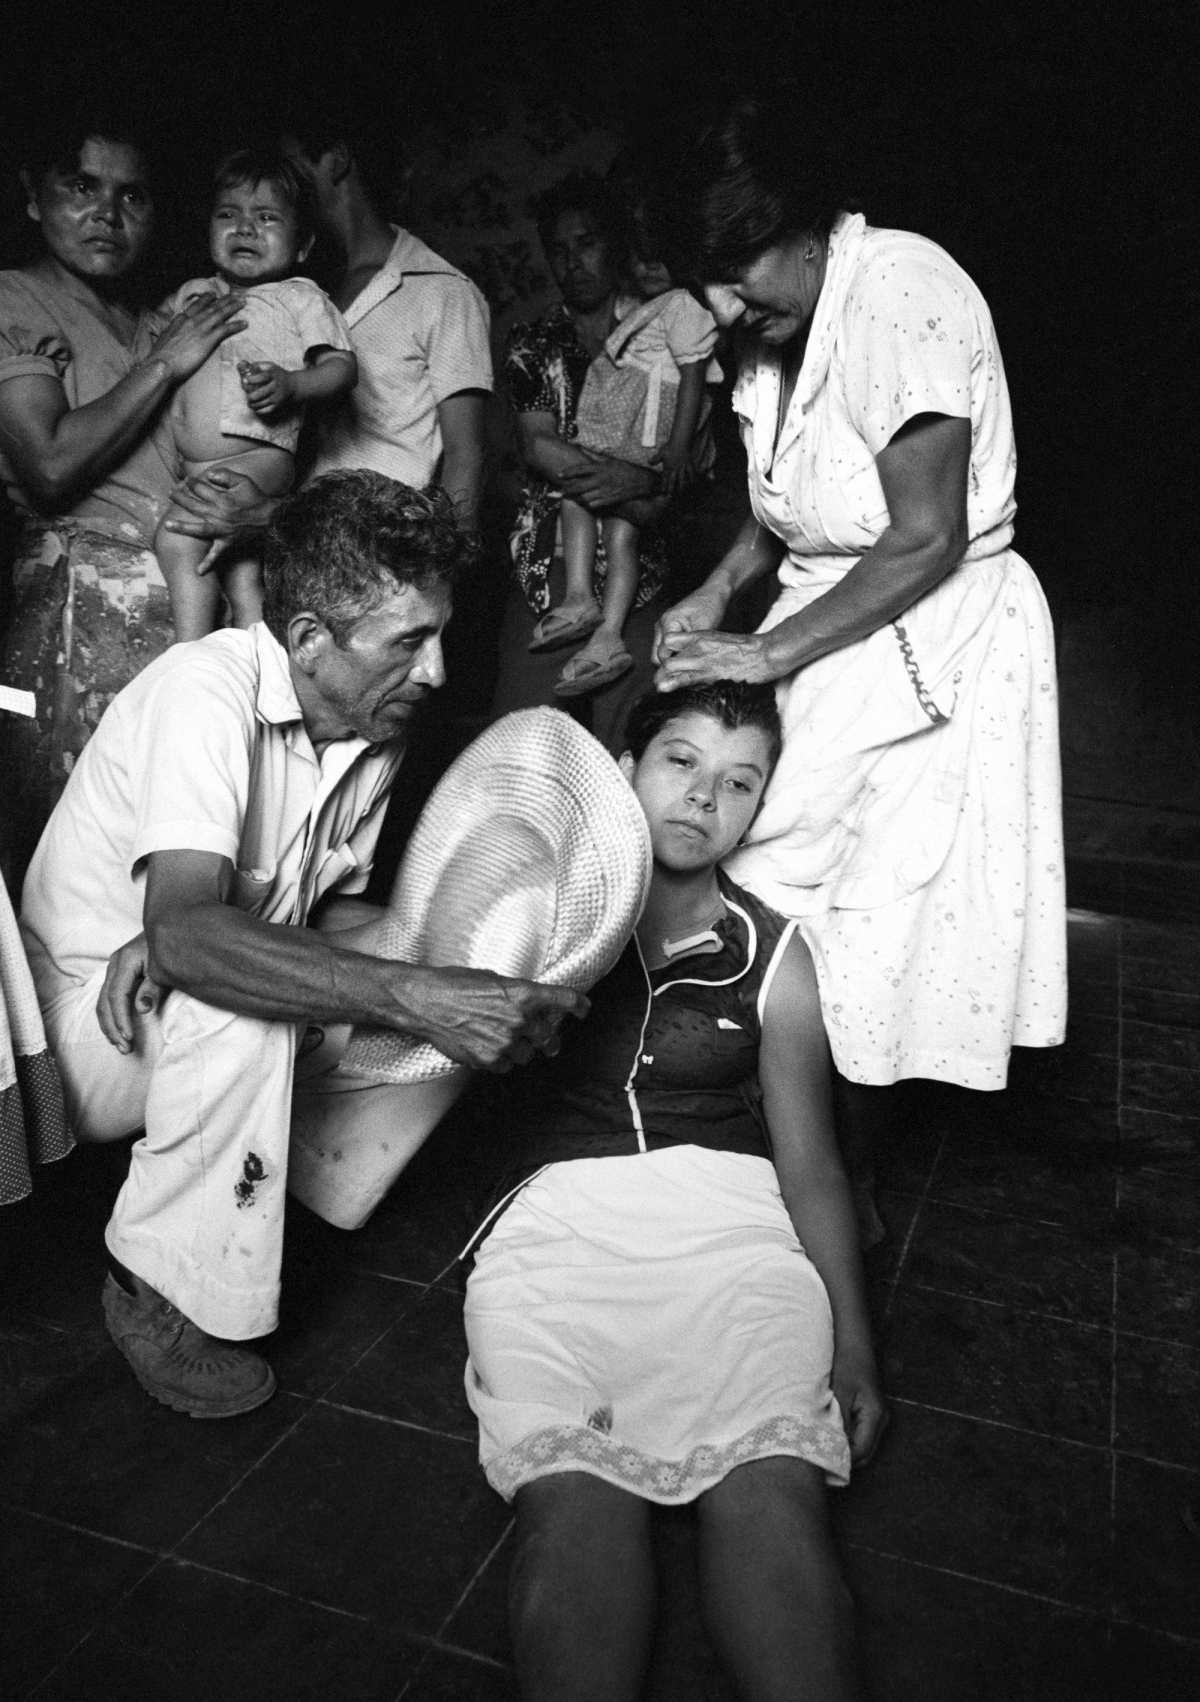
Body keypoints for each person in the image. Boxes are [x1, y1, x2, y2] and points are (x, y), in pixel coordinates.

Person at [18, 472, 586, 1419]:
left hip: (166, 1008)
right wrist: (406, 992)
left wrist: (475, 973)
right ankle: (151, 1288)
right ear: (310, 638)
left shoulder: (371, 727)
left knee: (381, 984)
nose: (437, 671)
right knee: (246, 995)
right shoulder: (206, 692)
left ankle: (279, 1187)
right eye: (410, 641)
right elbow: (196, 938)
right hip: (74, 1040)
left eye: (438, 636)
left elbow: (332, 925)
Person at [653, 97, 1067, 1226]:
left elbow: (924, 534)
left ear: (804, 226)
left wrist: (770, 645)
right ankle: (769, 1151)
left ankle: (848, 1183)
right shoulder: (766, 329)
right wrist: (715, 587)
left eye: (741, 270)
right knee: (776, 879)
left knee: (880, 916)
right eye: (712, 283)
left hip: (938, 631)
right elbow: (786, 508)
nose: (729, 306)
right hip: (829, 620)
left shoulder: (902, 289)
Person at [464, 680, 885, 1702]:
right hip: (557, 1230)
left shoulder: (776, 956)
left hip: (735, 1230)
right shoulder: (536, 915)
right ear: (624, 772)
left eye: (738, 783)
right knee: (572, 1496)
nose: (704, 797)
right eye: (681, 763)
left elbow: (811, 1165)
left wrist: (857, 1341)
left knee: (773, 1489)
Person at [0, 112, 275, 863]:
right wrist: (166, 364)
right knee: (63, 852)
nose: (107, 215)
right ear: (34, 197)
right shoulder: (13, 302)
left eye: (133, 197)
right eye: (81, 187)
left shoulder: (166, 317)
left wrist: (257, 510)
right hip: (75, 609)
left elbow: (251, 452)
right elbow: (49, 464)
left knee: (159, 854)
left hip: (187, 611)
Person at [490, 170, 674, 749]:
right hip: (546, 561)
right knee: (521, 743)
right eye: (559, 249)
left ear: (615, 245)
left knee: (639, 737)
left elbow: (689, 448)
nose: (573, 261)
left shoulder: (664, 329)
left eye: (587, 243)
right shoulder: (533, 339)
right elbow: (537, 444)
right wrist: (631, 480)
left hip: (643, 565)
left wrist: (645, 484)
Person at [153, 148, 357, 639]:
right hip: (192, 465)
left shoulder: (300, 297)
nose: (245, 228)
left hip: (257, 455)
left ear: (303, 244)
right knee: (244, 576)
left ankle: (189, 654)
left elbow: (342, 369)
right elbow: (145, 352)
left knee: (179, 539)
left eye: (266, 218)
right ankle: (252, 666)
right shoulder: (192, 292)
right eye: (228, 214)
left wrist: (292, 384)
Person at [278, 114, 492, 524]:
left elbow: (468, 457)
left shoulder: (441, 289)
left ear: (336, 160)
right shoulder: (302, 292)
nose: (281, 187)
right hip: (302, 548)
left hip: (390, 558)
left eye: (292, 170)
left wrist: (438, 574)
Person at [534, 255, 721, 700]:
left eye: (659, 257)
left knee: (597, 508)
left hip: (646, 423)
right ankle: (591, 613)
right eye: (639, 258)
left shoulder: (684, 306)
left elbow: (693, 376)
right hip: (626, 418)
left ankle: (598, 618)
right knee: (596, 512)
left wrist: (677, 446)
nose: (648, 266)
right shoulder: (643, 303)